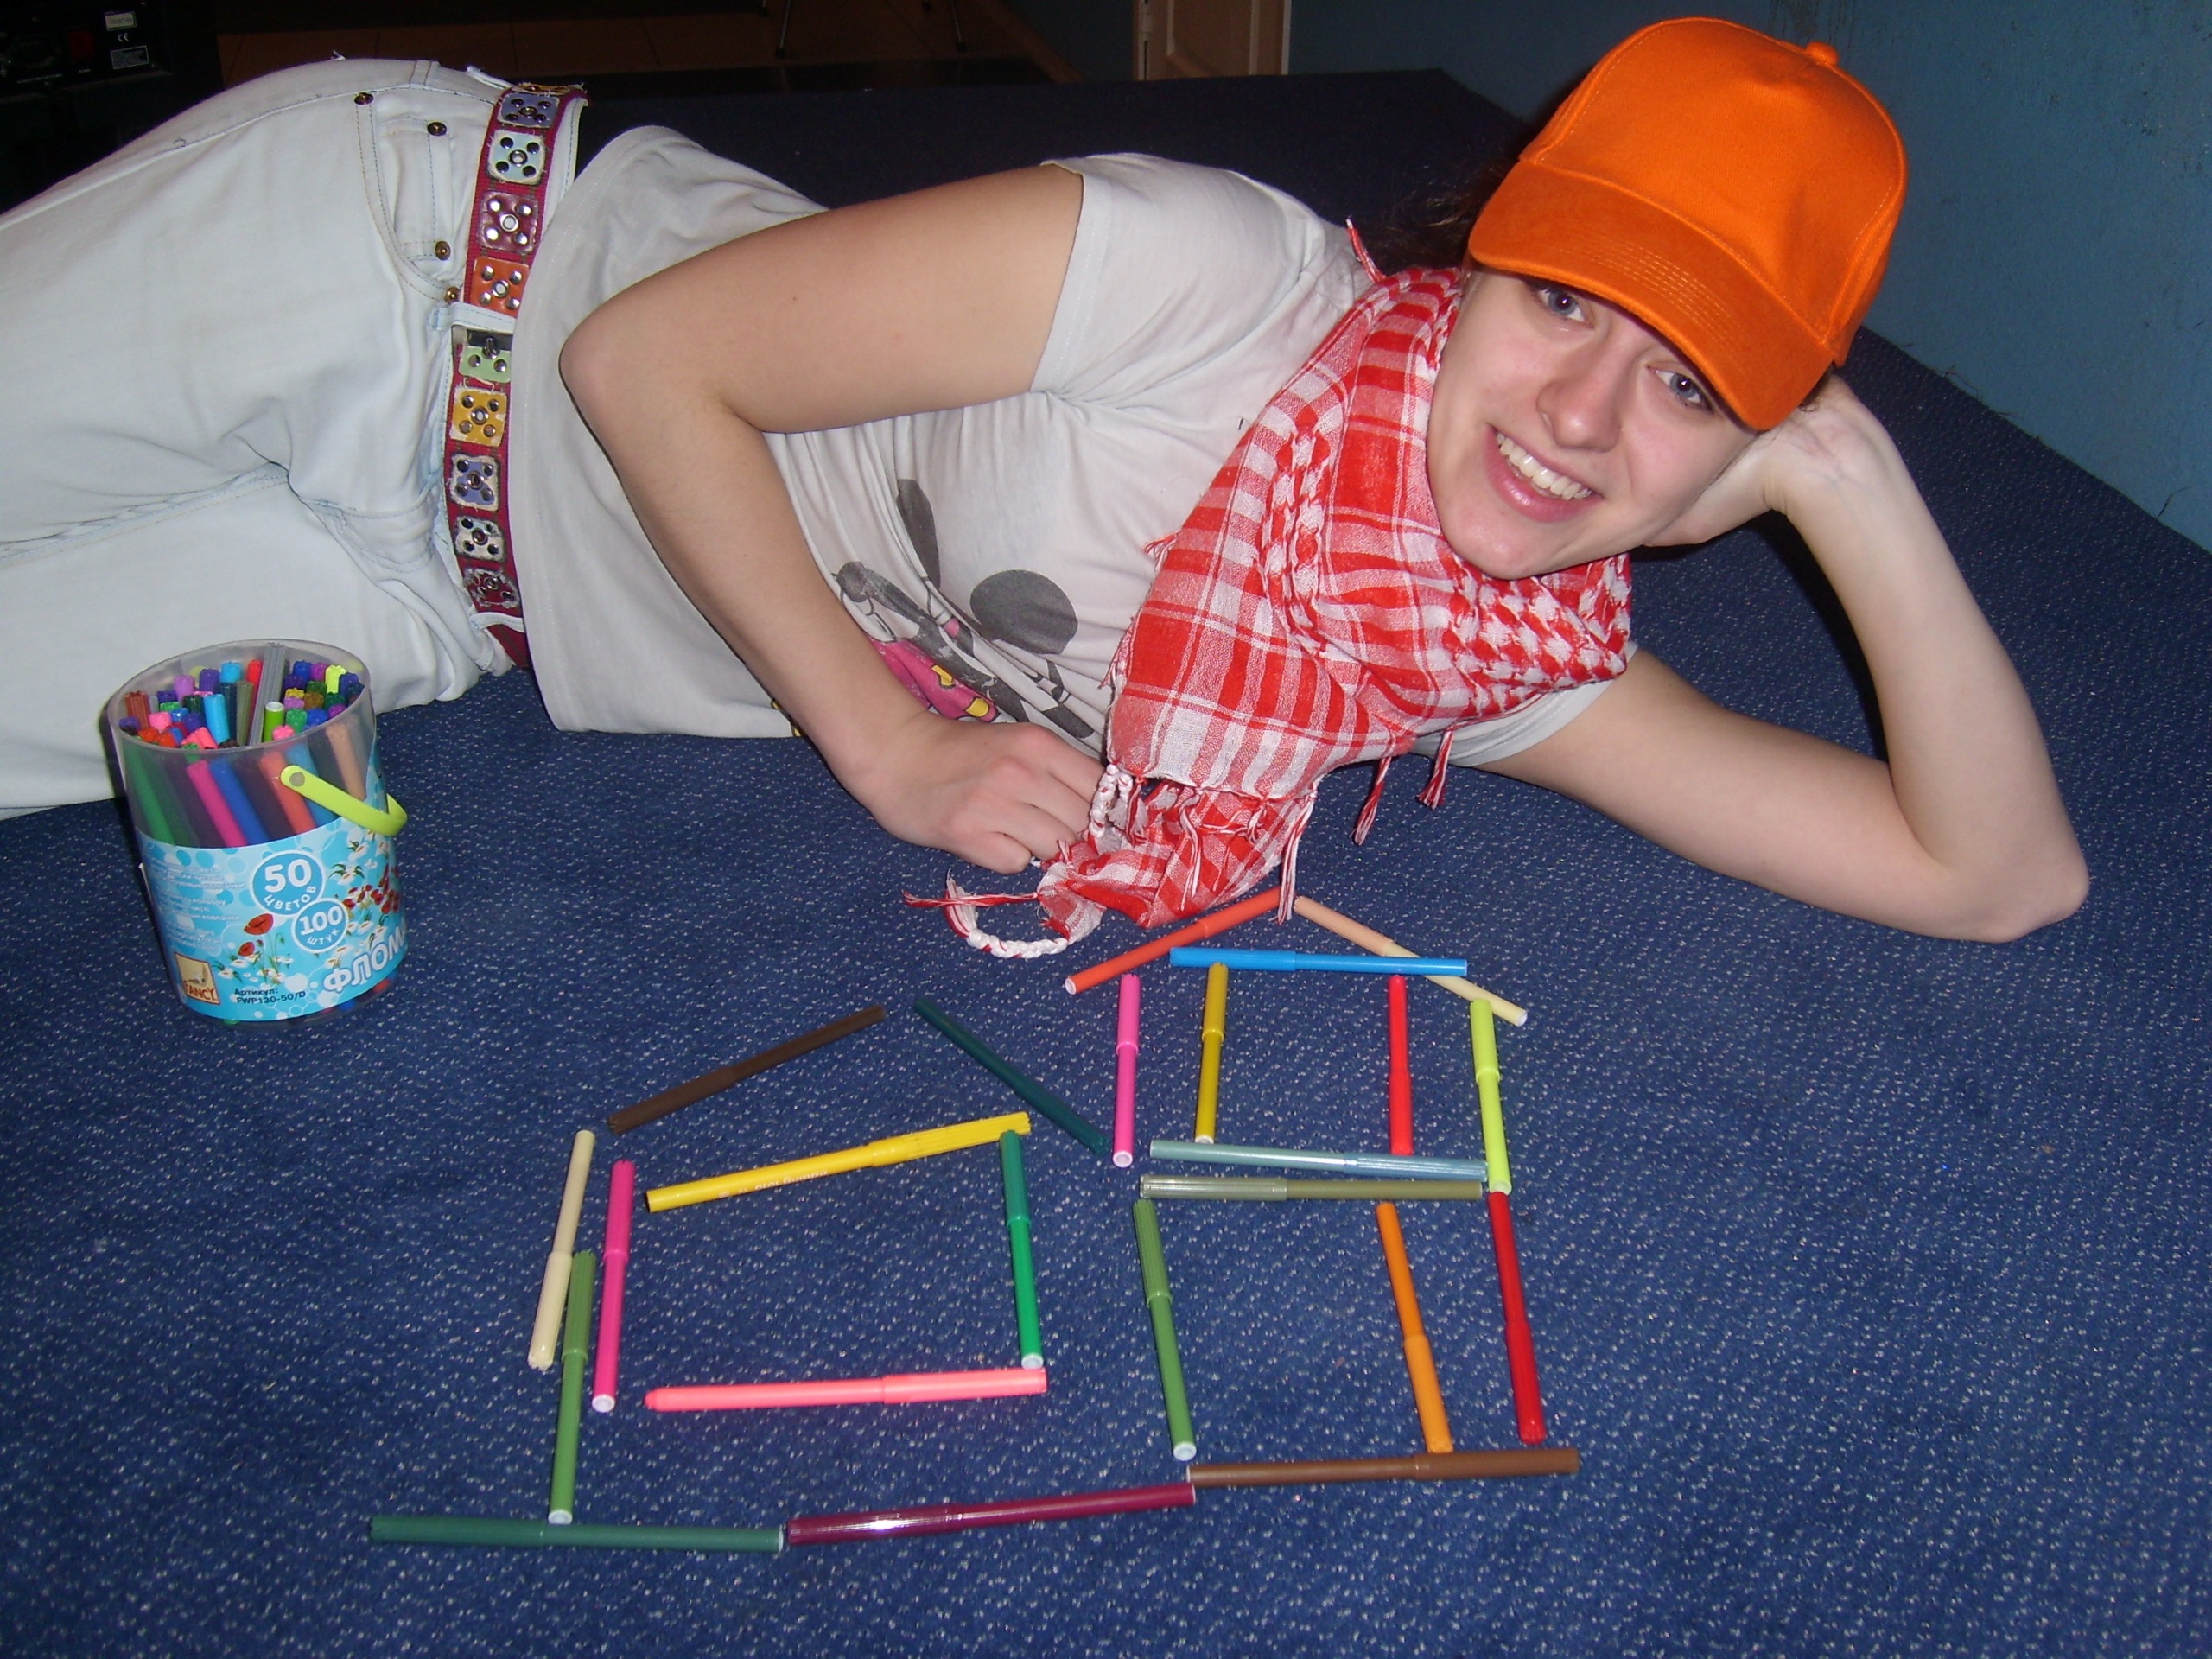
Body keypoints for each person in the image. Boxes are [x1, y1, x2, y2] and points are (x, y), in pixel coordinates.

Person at [0, 20, 2085, 946]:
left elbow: (1987, 881)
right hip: (408, 281)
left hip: (430, 607)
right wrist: (895, 754)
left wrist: (1853, 482)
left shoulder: (1462, 650)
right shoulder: (1203, 275)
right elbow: (641, 361)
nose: (1579, 422)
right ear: (1472, 263)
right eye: (1561, 304)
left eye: (1687, 391)